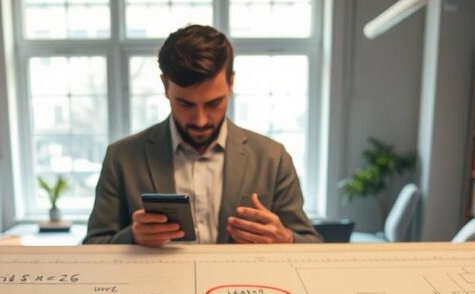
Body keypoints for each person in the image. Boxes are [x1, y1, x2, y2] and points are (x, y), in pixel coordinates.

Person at [84, 25, 322, 246]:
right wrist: (133, 237)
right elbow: (92, 246)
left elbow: (313, 245)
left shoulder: (272, 157)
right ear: (165, 86)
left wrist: (285, 238)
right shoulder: (122, 157)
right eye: (185, 104)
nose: (200, 120)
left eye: (213, 103)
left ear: (231, 83)